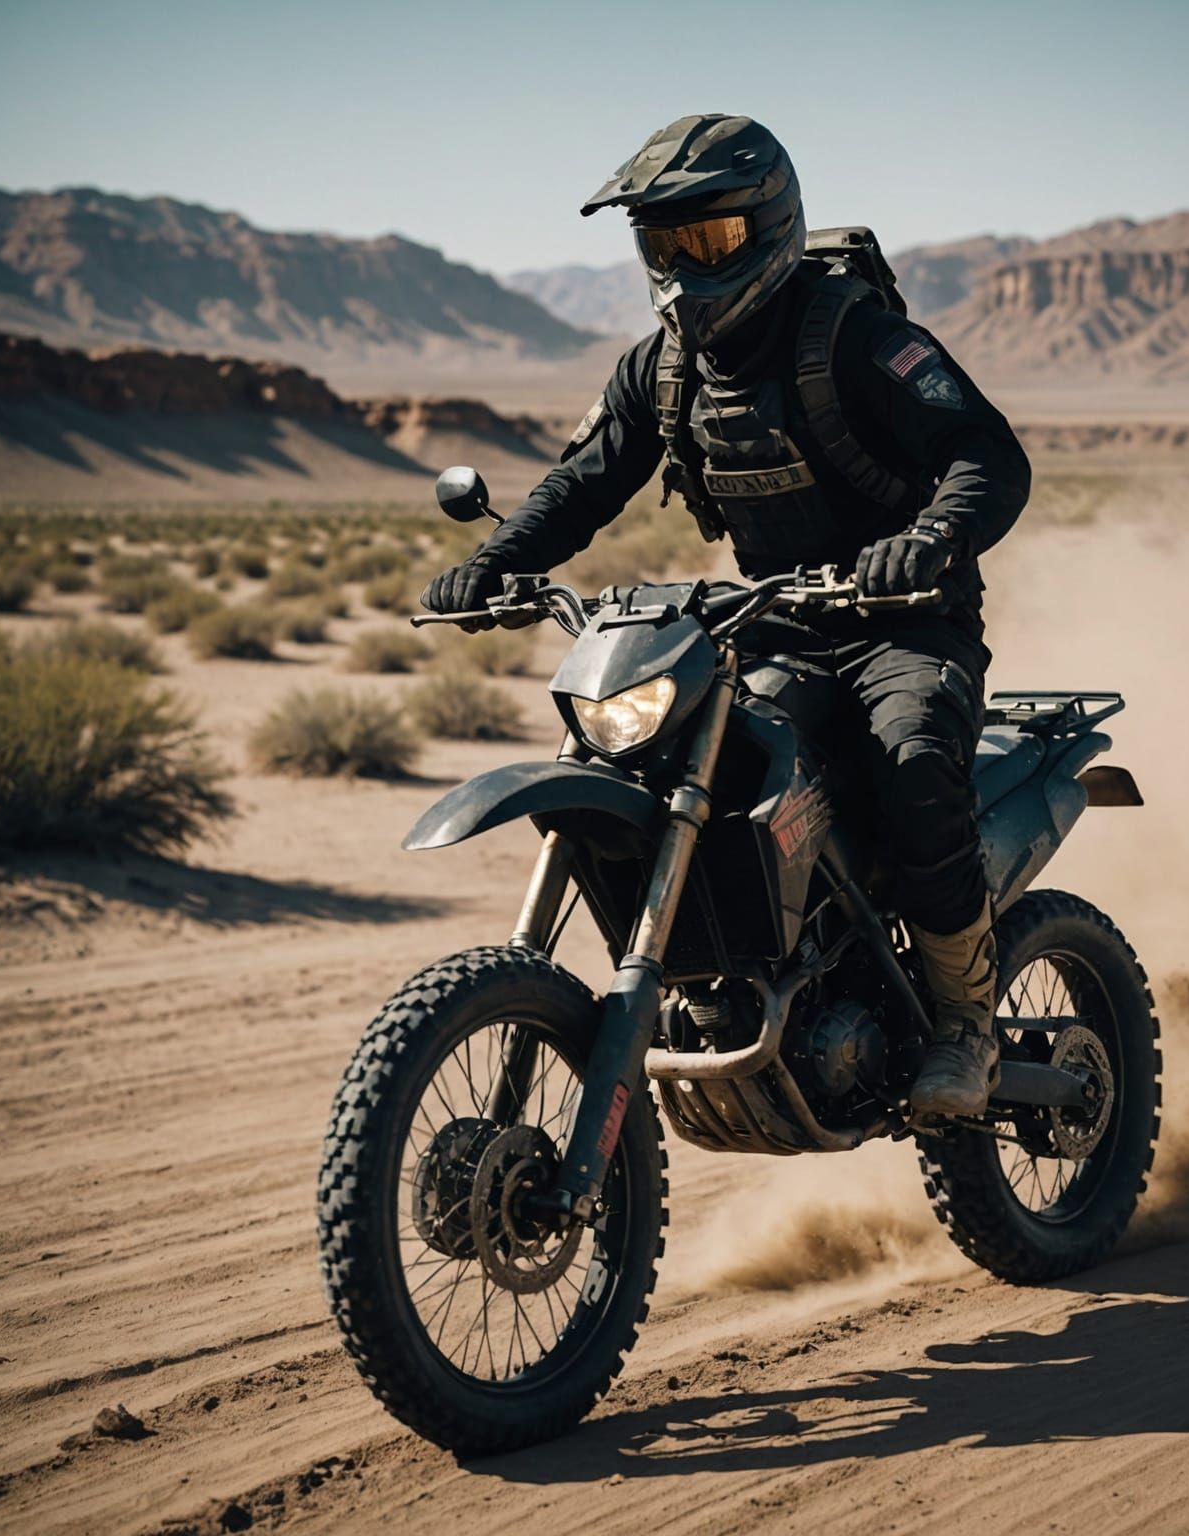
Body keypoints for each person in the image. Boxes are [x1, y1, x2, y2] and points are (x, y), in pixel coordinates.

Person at [424, 114, 1031, 1118]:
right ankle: (736, 974)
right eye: (664, 244)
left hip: (904, 625)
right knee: (673, 766)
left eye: (706, 239)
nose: (681, 266)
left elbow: (986, 456)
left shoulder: (859, 337)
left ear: (772, 224)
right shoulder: (661, 368)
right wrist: (493, 566)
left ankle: (966, 1024)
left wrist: (928, 539)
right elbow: (580, 485)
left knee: (913, 762)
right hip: (776, 629)